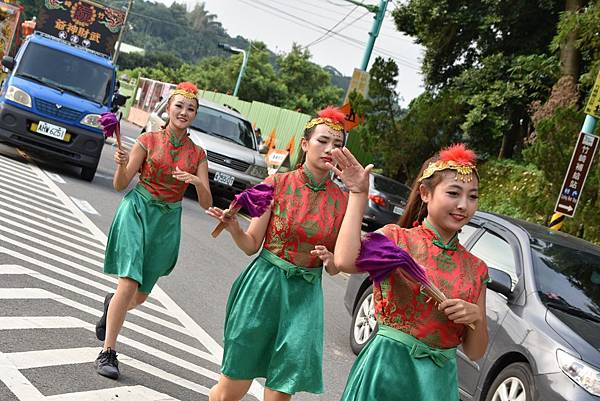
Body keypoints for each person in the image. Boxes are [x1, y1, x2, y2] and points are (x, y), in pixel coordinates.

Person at [206, 107, 349, 401]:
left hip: (305, 297)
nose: (329, 149)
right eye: (322, 141)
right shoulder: (277, 184)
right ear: (305, 144)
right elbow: (251, 245)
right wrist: (234, 227)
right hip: (263, 287)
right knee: (232, 388)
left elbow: (337, 267)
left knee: (281, 390)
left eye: (337, 144)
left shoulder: (343, 201)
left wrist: (331, 261)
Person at [331, 144, 489, 401]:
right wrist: (359, 193)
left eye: (472, 196)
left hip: (437, 386)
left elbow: (475, 351)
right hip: (386, 371)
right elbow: (344, 260)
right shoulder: (397, 238)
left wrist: (477, 319)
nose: (463, 205)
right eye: (453, 193)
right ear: (425, 193)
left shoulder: (476, 269)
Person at [94, 81, 212, 380]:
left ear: (195, 114)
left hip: (168, 220)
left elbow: (207, 202)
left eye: (191, 109)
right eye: (179, 106)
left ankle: (112, 306)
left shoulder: (198, 154)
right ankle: (108, 351)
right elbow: (121, 185)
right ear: (168, 108)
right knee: (130, 281)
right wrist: (121, 165)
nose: (184, 112)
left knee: (140, 296)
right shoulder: (147, 140)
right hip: (138, 210)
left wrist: (197, 182)